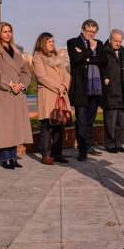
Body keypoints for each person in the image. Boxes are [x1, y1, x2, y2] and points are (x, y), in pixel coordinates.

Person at [0, 22, 34, 169]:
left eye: (9, 31)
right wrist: (11, 84)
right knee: (4, 127)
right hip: (4, 92)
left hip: (17, 92)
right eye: (4, 31)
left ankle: (13, 157)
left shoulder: (16, 52)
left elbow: (26, 72)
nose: (7, 34)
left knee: (15, 126)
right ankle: (5, 158)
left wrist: (21, 85)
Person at [67, 19, 107, 161]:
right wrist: (90, 50)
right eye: (89, 31)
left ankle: (88, 145)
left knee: (90, 120)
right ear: (83, 30)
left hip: (95, 89)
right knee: (81, 120)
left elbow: (104, 61)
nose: (91, 34)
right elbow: (76, 59)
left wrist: (88, 58)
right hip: (81, 89)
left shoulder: (100, 44)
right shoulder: (72, 42)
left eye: (93, 32)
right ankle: (82, 150)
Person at [32, 33, 72, 165]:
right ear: (43, 43)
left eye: (53, 41)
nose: (52, 44)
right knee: (46, 125)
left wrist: (64, 86)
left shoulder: (56, 58)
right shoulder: (38, 58)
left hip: (60, 95)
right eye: (49, 41)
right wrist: (58, 87)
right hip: (48, 95)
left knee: (59, 125)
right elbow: (42, 77)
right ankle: (45, 154)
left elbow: (66, 75)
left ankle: (57, 152)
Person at [101, 29, 124, 153]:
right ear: (110, 40)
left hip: (123, 91)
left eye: (120, 41)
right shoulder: (104, 51)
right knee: (110, 122)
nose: (118, 44)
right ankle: (110, 145)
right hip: (111, 92)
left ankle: (118, 144)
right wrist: (105, 77)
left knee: (121, 121)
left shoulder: (122, 51)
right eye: (116, 41)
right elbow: (100, 67)